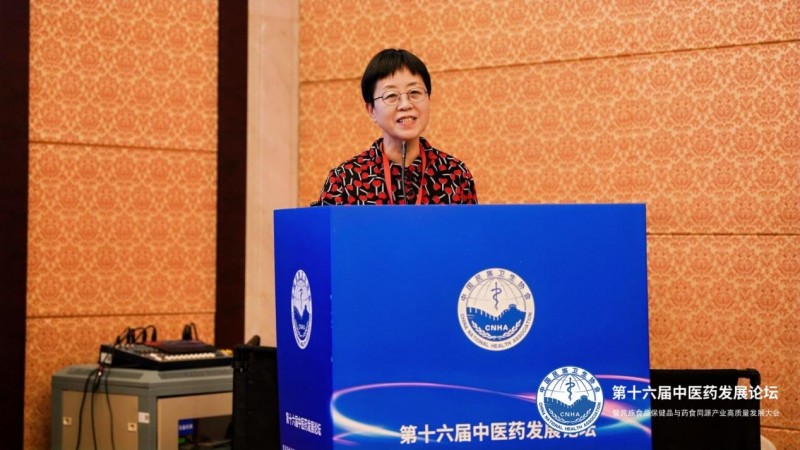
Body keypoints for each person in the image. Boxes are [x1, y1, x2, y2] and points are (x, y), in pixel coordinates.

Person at [311, 48, 477, 206]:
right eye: (391, 95)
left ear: (429, 99)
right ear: (371, 110)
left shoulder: (456, 175)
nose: (405, 104)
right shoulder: (344, 180)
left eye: (415, 93)